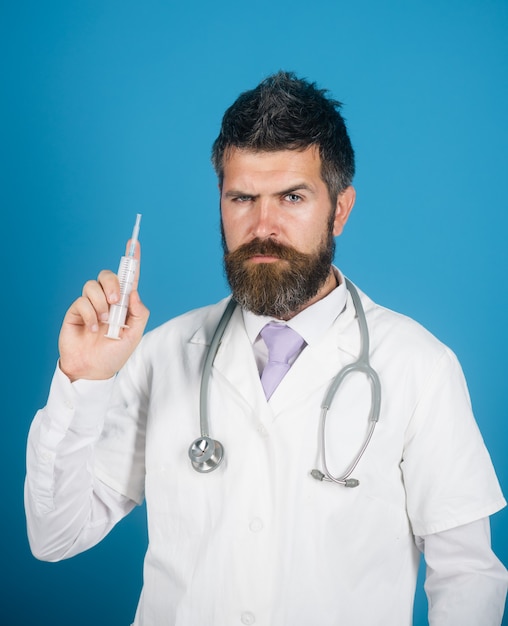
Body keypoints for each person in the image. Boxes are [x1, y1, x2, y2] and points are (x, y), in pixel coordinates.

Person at [25, 71, 507, 626]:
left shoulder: (419, 368)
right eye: (242, 198)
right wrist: (82, 381)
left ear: (340, 210)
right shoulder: (160, 355)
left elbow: (467, 576)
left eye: (293, 197)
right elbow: (54, 536)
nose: (263, 225)